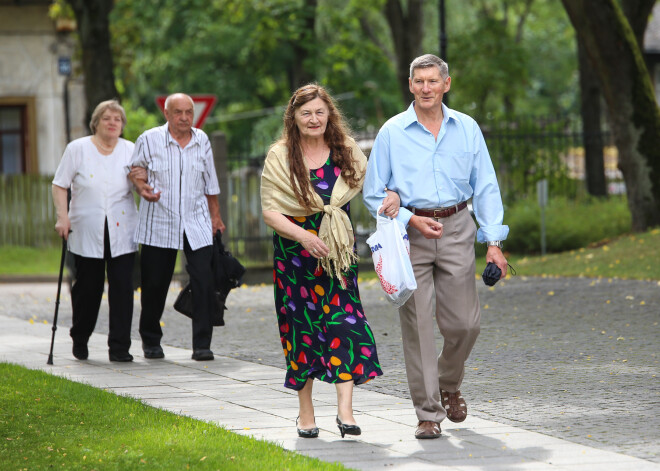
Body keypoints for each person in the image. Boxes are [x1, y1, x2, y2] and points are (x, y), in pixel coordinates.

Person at [363, 54, 509, 439]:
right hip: (409, 233)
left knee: (465, 324)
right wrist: (408, 217)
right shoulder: (392, 132)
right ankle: (428, 413)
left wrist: (493, 242)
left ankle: (448, 382)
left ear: (446, 84)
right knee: (418, 327)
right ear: (410, 85)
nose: (425, 88)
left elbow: (487, 186)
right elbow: (372, 192)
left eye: (433, 81)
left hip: (459, 227)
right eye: (418, 81)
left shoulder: (467, 128)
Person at [261, 84, 400, 439]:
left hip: (338, 256)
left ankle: (346, 412)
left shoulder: (346, 150)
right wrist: (304, 235)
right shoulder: (279, 156)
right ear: (293, 117)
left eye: (320, 112)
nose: (313, 119)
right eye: (306, 113)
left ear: (329, 115)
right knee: (301, 332)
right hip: (295, 259)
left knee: (347, 325)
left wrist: (393, 196)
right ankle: (305, 413)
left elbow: (373, 189)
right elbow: (271, 211)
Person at [128, 93, 225, 362]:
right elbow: (135, 169)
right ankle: (150, 340)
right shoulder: (149, 139)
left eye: (188, 112)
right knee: (154, 285)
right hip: (159, 222)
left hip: (197, 221)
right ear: (167, 114)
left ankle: (202, 345)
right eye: (178, 112)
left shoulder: (201, 139)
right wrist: (141, 186)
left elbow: (210, 183)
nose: (184, 118)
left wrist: (215, 218)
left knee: (204, 283)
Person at [52, 99, 138, 363]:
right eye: (107, 118)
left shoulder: (131, 150)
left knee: (123, 288)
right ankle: (80, 336)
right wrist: (62, 218)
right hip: (86, 229)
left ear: (122, 126)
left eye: (117, 119)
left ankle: (120, 347)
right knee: (89, 289)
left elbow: (141, 182)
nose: (112, 123)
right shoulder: (77, 149)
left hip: (122, 229)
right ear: (96, 122)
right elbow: (59, 185)